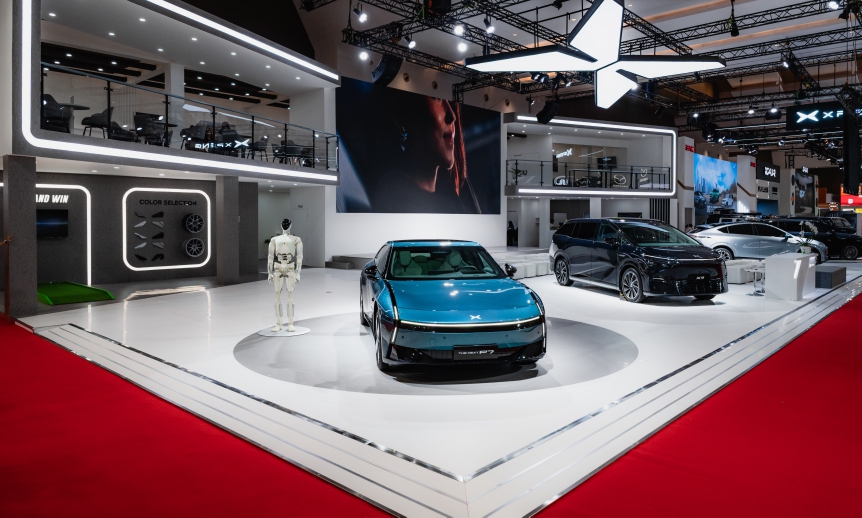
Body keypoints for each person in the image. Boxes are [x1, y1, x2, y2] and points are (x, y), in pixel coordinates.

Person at [371, 97, 480, 213]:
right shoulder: (395, 197)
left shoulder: (448, 197)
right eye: (437, 97)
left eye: (450, 101)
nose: (452, 115)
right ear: (406, 110)